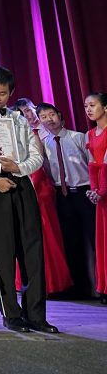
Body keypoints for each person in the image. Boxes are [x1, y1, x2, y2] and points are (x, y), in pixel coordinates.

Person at [0, 66, 57, 333]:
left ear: (10, 92)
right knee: (2, 253)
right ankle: (11, 314)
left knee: (32, 252)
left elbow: (36, 155)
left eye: (2, 93)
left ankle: (36, 315)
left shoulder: (19, 119)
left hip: (22, 183)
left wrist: (19, 168)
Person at [14, 97, 72, 295]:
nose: (26, 116)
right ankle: (34, 283)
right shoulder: (15, 136)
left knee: (48, 236)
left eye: (28, 111)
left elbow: (40, 164)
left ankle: (53, 282)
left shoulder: (38, 133)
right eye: (21, 114)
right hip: (25, 185)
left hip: (41, 187)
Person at [38, 102, 96, 298]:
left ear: (60, 115)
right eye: (44, 117)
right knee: (71, 243)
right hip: (63, 196)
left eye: (51, 114)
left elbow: (92, 164)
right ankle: (80, 289)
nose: (49, 119)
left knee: (95, 240)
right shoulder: (44, 145)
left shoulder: (78, 137)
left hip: (85, 193)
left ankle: (101, 288)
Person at [85, 92, 107, 303]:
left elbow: (106, 165)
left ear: (105, 107)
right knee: (103, 241)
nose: (89, 109)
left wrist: (101, 191)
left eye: (92, 105)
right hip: (100, 195)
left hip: (105, 191)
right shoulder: (90, 134)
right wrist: (94, 190)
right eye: (86, 106)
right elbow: (92, 166)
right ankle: (104, 287)